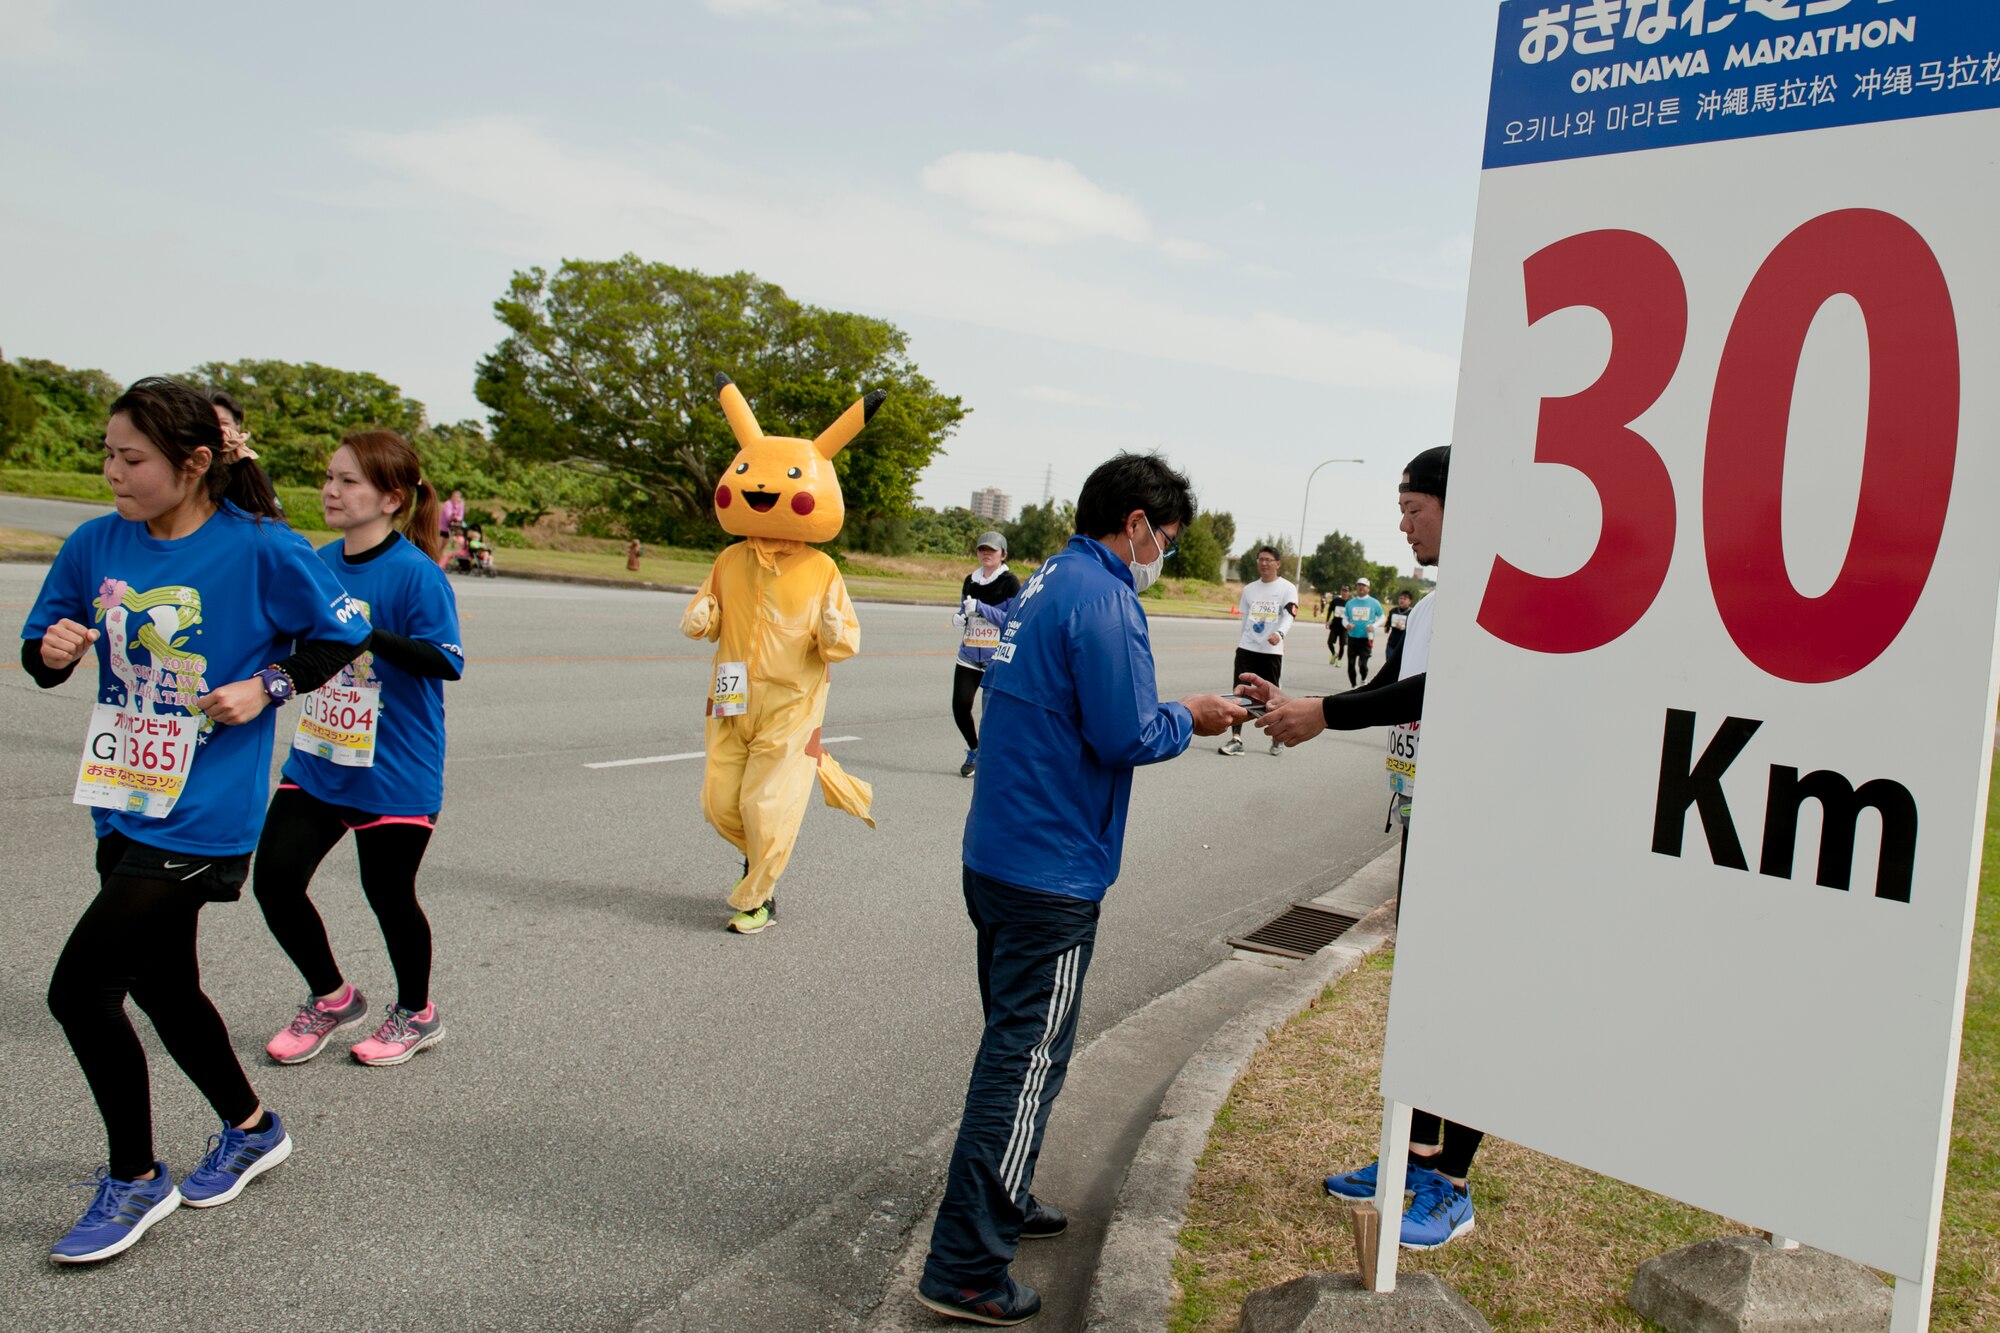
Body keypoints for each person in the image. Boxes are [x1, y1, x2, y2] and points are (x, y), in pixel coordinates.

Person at [20, 377, 371, 1263]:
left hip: (201, 810)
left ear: (195, 463)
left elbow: (338, 636)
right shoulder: (97, 542)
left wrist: (269, 684)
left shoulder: (260, 550)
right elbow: (43, 649)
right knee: (163, 986)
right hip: (120, 798)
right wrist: (52, 651)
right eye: (107, 452)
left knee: (80, 990)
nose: (112, 471)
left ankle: (135, 1178)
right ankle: (252, 1126)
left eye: (131, 458)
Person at [917, 453, 1246, 1326]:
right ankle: (966, 1265)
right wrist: (1195, 715)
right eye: (1166, 541)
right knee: (1022, 1065)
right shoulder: (1106, 599)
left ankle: (1006, 1196)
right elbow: (1126, 732)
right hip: (1050, 872)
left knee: (1016, 1043)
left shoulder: (1045, 580)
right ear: (1135, 523)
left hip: (996, 852)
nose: (1162, 557)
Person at [1245, 445, 1478, 1251]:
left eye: (1416, 510)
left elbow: (1441, 690)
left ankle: (1452, 1183)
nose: (1405, 526)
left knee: (1466, 997)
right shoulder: (1435, 604)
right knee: (1425, 990)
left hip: (1476, 819)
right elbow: (1389, 689)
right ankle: (1412, 1161)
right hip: (1424, 807)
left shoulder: (1497, 598)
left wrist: (1324, 715)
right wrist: (1310, 702)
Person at [255, 431, 464, 1069]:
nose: (331, 490)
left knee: (388, 894)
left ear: (391, 498)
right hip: (320, 759)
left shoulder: (416, 575)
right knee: (275, 882)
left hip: (394, 769)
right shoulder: (316, 564)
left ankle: (416, 1013)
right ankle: (333, 997)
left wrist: (364, 629)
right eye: (329, 477)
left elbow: (446, 660)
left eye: (349, 481)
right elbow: (288, 643)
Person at [951, 531, 1020, 777]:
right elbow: (964, 607)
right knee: (960, 707)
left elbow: (1011, 620)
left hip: (995, 659)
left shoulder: (1010, 582)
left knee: (992, 716)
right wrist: (960, 616)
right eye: (982, 549)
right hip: (968, 655)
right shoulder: (970, 580)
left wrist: (980, 608)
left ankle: (995, 759)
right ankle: (975, 748)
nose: (986, 553)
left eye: (992, 550)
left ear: (1003, 554)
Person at [1218, 545, 1296, 757]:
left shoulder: (1287, 588)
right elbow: (1244, 620)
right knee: (1239, 693)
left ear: (1277, 564)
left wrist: (1279, 634)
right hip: (1247, 649)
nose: (1263, 563)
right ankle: (1236, 739)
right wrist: (1244, 642)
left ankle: (1278, 737)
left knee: (1271, 697)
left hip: (1271, 651)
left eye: (1268, 560)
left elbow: (1290, 615)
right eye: (1260, 559)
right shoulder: (1249, 589)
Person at [1343, 576, 1384, 687]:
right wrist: (1347, 624)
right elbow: (1344, 617)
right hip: (1352, 637)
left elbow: (1382, 617)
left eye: (1364, 585)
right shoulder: (1350, 603)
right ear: (1356, 587)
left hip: (1366, 638)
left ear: (1368, 589)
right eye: (1359, 585)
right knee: (1351, 664)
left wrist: (1374, 626)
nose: (1361, 587)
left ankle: (1363, 679)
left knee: (1363, 664)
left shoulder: (1374, 602)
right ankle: (1353, 686)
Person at [1383, 589, 1414, 677]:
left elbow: (1413, 628)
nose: (1401, 600)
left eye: (1404, 598)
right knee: (1389, 665)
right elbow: (1387, 624)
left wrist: (1403, 627)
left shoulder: (1412, 613)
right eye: (1400, 598)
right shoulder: (1393, 611)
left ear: (1410, 601)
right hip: (1392, 644)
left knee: (1401, 667)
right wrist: (1387, 627)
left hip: (1404, 645)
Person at [1327, 584, 1352, 665]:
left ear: (1349, 592)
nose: (1344, 592)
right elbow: (1330, 610)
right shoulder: (1335, 601)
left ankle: (1339, 660)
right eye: (1343, 590)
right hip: (1335, 625)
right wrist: (1327, 620)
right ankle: (1334, 653)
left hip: (1344, 627)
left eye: (1346, 591)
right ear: (1340, 591)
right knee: (1330, 642)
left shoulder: (1350, 603)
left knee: (1342, 645)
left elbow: (1352, 615)